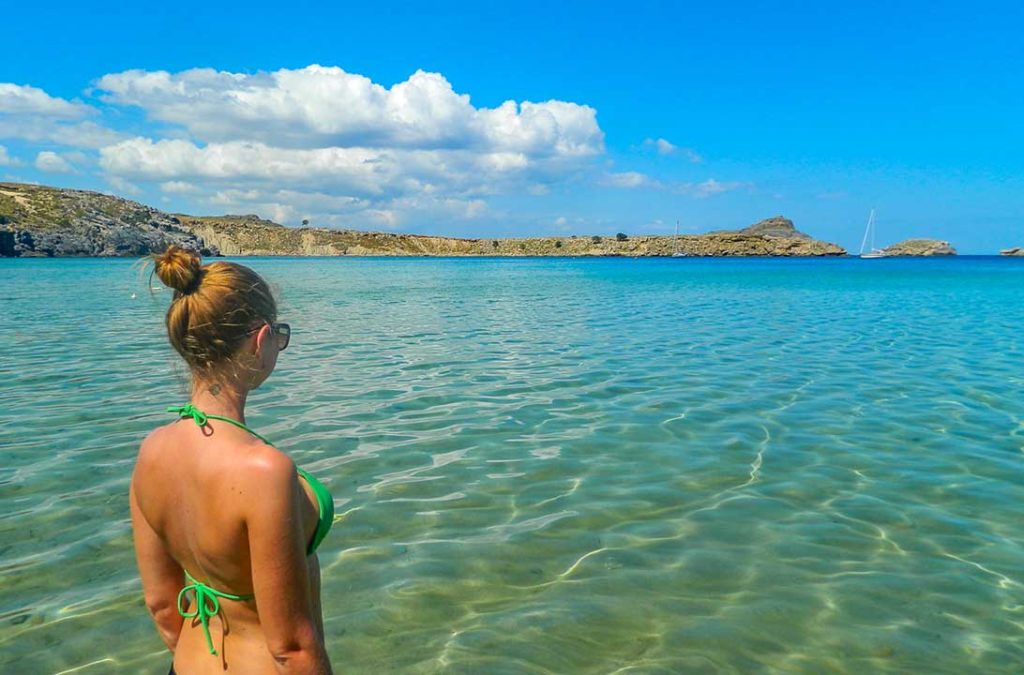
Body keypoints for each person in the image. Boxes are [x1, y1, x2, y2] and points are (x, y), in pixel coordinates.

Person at [130, 245, 334, 674]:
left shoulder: (152, 451)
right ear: (260, 340)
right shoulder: (264, 470)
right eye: (279, 334)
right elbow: (293, 647)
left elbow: (163, 605)